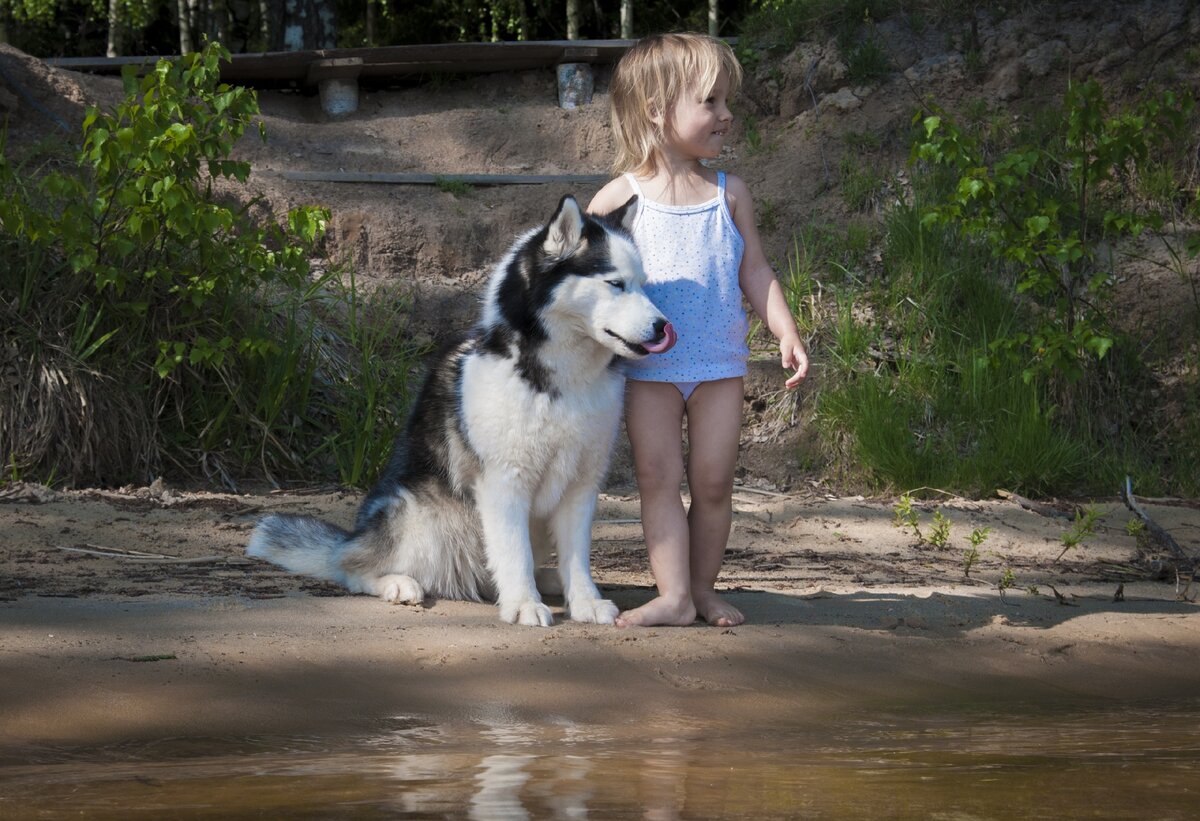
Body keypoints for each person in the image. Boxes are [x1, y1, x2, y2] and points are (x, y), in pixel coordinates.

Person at [587, 32, 808, 628]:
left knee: (712, 483)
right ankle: (674, 595)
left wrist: (784, 329)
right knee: (658, 479)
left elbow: (755, 269)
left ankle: (703, 589)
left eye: (726, 101)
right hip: (648, 369)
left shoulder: (728, 195)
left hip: (719, 367)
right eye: (710, 101)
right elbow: (585, 284)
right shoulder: (617, 199)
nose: (726, 114)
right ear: (657, 111)